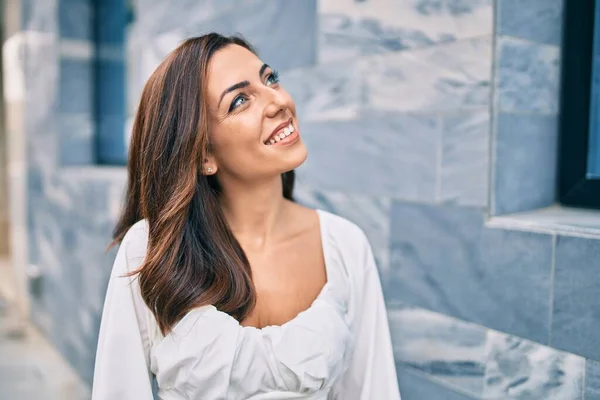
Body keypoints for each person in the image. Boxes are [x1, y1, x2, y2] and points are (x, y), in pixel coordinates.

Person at [91, 33, 401, 400]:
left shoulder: (344, 245)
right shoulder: (152, 250)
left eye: (270, 79)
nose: (278, 101)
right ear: (203, 154)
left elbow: (374, 391)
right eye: (240, 100)